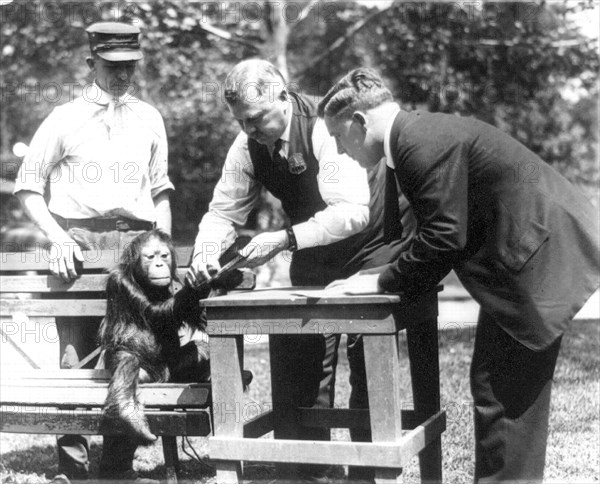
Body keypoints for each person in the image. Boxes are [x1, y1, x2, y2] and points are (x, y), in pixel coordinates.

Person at [318, 67, 600, 483]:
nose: (341, 152)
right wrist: (374, 273)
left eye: (339, 136)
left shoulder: (416, 142)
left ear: (359, 122)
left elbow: (444, 237)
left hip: (539, 256)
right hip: (533, 255)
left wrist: (380, 281)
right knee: (503, 390)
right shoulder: (414, 136)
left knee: (502, 392)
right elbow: (426, 232)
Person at [186, 59, 416, 482]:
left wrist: (282, 239)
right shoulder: (246, 146)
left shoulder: (324, 127)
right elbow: (223, 210)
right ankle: (308, 471)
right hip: (313, 248)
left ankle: (367, 472)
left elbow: (351, 213)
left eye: (256, 119)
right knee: (298, 351)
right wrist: (205, 251)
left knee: (365, 353)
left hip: (373, 242)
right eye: (241, 122)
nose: (249, 131)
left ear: (282, 94)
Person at [13, 22, 173, 484]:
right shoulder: (63, 118)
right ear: (91, 64)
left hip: (136, 246)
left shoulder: (150, 117)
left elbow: (160, 190)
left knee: (131, 353)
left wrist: (160, 244)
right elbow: (28, 187)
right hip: (80, 245)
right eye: (112, 68)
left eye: (130, 68)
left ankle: (118, 466)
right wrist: (58, 237)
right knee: (75, 355)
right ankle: (73, 469)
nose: (123, 77)